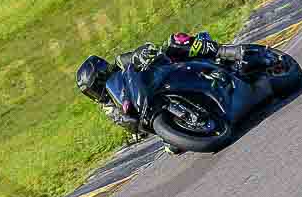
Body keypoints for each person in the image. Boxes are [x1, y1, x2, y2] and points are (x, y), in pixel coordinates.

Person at [76, 32, 273, 147]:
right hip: (157, 111)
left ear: (103, 72)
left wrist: (143, 54)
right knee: (173, 147)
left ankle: (227, 52)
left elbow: (139, 53)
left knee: (175, 42)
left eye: (96, 85)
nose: (96, 92)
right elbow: (128, 123)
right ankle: (201, 116)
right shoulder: (109, 108)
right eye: (91, 92)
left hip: (166, 72)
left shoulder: (120, 64)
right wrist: (136, 130)